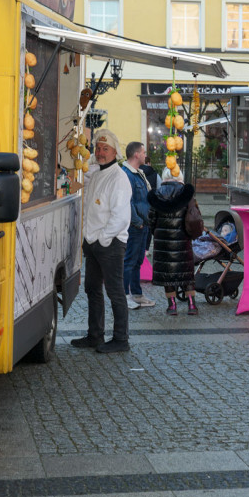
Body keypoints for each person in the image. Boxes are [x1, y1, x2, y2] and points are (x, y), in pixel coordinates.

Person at [72, 129, 132, 353]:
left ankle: (121, 339)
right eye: (98, 148)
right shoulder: (97, 173)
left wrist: (103, 239)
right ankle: (95, 334)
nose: (100, 152)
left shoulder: (119, 178)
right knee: (92, 289)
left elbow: (121, 217)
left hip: (110, 243)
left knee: (115, 291)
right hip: (93, 241)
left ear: (115, 152)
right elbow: (82, 188)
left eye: (105, 149)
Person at [148, 178, 204, 315]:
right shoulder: (186, 194)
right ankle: (192, 305)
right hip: (183, 239)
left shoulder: (157, 195)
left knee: (168, 275)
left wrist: (157, 232)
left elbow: (151, 220)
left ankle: (172, 306)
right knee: (186, 273)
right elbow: (194, 216)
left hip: (163, 242)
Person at [122, 142, 155, 309]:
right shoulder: (127, 174)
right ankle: (125, 296)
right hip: (135, 226)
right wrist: (138, 222)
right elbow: (128, 202)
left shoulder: (138, 173)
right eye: (143, 152)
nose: (145, 155)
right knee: (129, 261)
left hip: (143, 224)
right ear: (136, 155)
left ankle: (137, 293)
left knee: (138, 261)